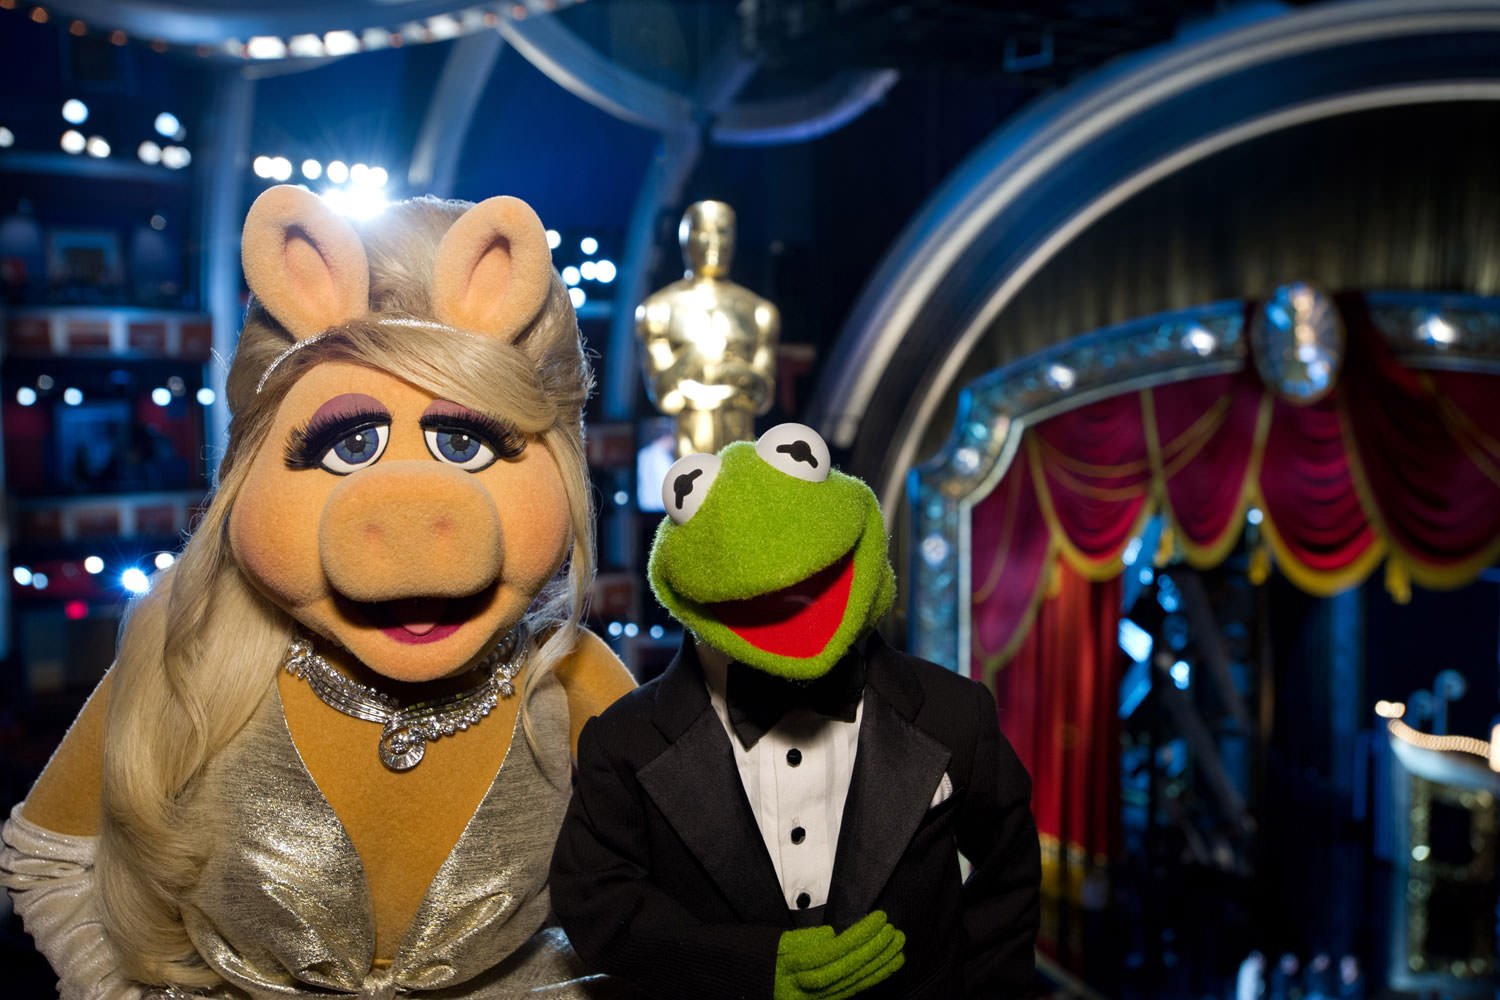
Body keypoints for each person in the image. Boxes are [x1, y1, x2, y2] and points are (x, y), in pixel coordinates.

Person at [1, 186, 634, 997]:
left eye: (465, 441)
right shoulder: (189, 660)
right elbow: (50, 857)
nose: (409, 514)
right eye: (351, 443)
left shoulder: (572, 678)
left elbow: (692, 877)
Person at [552, 423, 1041, 998]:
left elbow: (1008, 873)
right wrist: (751, 968)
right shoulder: (624, 741)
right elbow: (597, 902)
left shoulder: (955, 712)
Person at [635, 200, 779, 459]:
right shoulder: (659, 309)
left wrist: (704, 377)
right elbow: (665, 395)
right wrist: (705, 357)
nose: (714, 243)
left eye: (723, 232)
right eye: (704, 232)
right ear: (686, 238)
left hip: (741, 451)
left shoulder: (759, 311)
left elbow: (762, 395)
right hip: (687, 454)